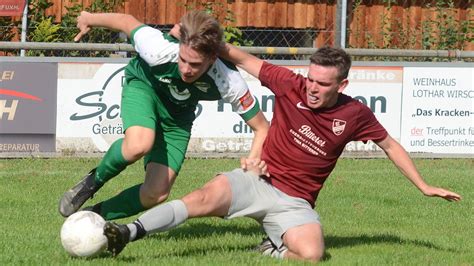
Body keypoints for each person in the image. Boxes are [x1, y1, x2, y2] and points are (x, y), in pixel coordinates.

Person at [100, 44, 462, 261]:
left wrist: (423, 185)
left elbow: (390, 144)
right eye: (310, 79)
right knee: (200, 198)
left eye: (323, 83)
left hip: (296, 201)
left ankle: (273, 247)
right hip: (258, 179)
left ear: (342, 84)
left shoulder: (354, 114)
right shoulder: (289, 83)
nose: (312, 88)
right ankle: (128, 233)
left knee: (313, 255)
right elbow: (239, 57)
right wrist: (201, 38)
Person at [58, 11, 269, 220]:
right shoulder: (158, 48)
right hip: (145, 88)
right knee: (138, 144)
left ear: (213, 58)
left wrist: (251, 165)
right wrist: (88, 19)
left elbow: (261, 127)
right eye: (183, 59)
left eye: (195, 65)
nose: (186, 69)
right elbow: (126, 21)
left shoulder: (228, 80)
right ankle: (91, 183)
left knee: (156, 193)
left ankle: (93, 218)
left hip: (178, 117)